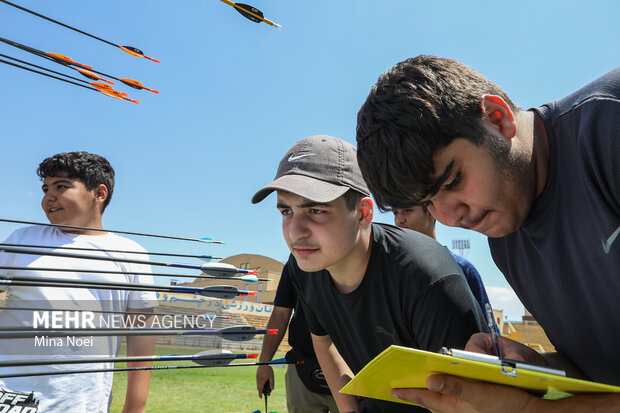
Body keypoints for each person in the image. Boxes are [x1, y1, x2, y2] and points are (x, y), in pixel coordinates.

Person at [355, 55, 620, 411]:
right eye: (429, 203)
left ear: (497, 118)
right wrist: (537, 370)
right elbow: (603, 373)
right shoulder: (504, 236)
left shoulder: (608, 125)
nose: (449, 217)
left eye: (453, 180)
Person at [252, 135, 488, 412]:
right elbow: (322, 340)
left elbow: (471, 399)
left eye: (315, 210)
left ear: (363, 213)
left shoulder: (427, 278)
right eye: (286, 211)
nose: (295, 233)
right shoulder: (306, 266)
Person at [0, 152, 158, 413]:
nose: (48, 196)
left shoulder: (131, 253)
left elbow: (141, 334)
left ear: (99, 194)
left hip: (82, 401)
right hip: (10, 393)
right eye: (45, 188)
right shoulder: (21, 239)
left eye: (61, 186)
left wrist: (135, 407)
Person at [256, 269, 339, 412]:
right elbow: (281, 313)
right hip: (302, 366)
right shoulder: (296, 260)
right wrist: (265, 362)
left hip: (352, 368)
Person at [392, 205, 490, 313]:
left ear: (430, 212)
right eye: (395, 212)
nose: (399, 220)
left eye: (408, 210)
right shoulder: (392, 270)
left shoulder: (461, 268)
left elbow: (485, 325)